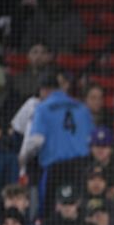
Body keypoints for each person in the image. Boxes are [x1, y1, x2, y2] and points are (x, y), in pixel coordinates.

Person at [19, 73, 94, 216]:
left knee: (51, 212)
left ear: (44, 90)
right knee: (78, 210)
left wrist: (23, 157)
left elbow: (36, 141)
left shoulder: (43, 108)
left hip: (56, 170)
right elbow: (90, 138)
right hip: (82, 168)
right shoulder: (82, 107)